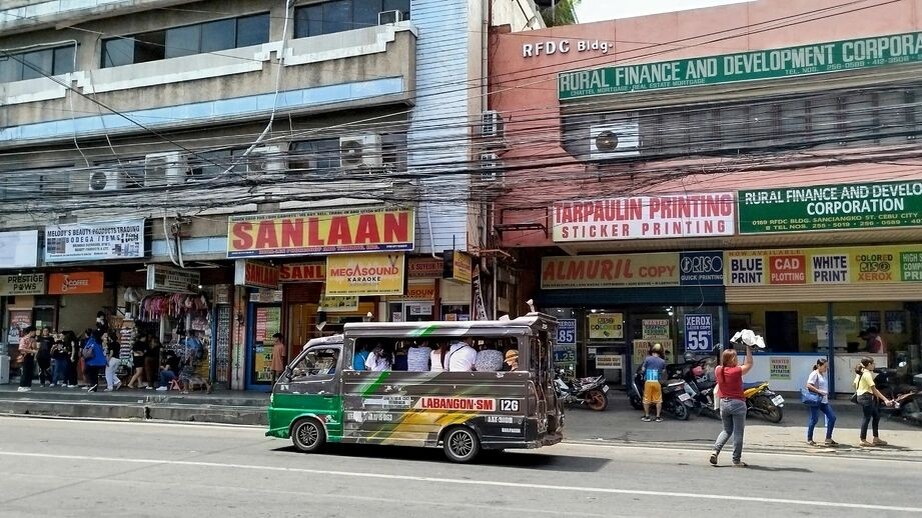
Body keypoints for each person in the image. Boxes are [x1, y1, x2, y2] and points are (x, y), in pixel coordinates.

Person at [709, 344, 753, 467]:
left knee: (726, 430)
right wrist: (748, 348)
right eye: (735, 358)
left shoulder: (718, 369)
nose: (737, 359)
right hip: (738, 404)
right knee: (738, 433)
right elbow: (749, 363)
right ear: (732, 360)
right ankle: (736, 460)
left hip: (724, 403)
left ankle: (715, 451)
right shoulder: (736, 371)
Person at [855, 357, 894, 447]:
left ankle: (876, 438)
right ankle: (863, 439)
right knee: (867, 417)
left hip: (862, 396)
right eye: (873, 364)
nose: (874, 365)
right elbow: (874, 389)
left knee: (876, 415)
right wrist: (885, 400)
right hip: (866, 397)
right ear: (869, 364)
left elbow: (854, 384)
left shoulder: (860, 373)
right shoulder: (867, 374)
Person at [805, 358, 837, 446]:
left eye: (827, 367)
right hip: (816, 400)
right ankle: (809, 438)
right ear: (819, 366)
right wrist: (819, 391)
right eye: (824, 367)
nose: (826, 369)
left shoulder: (822, 374)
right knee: (814, 419)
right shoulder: (814, 374)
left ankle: (828, 438)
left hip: (824, 401)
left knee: (832, 417)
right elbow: (808, 385)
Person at [641, 343, 667, 423]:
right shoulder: (662, 361)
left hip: (648, 382)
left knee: (646, 400)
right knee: (658, 400)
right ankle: (658, 417)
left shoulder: (648, 359)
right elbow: (663, 371)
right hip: (656, 382)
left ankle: (647, 416)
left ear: (652, 351)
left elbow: (643, 369)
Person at [17, 326, 38, 392]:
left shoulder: (33, 339)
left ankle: (27, 385)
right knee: (25, 371)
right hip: (25, 356)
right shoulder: (24, 339)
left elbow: (35, 348)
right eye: (34, 331)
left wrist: (34, 343)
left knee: (30, 371)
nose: (35, 333)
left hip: (31, 357)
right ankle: (21, 386)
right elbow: (21, 348)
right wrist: (32, 351)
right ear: (31, 331)